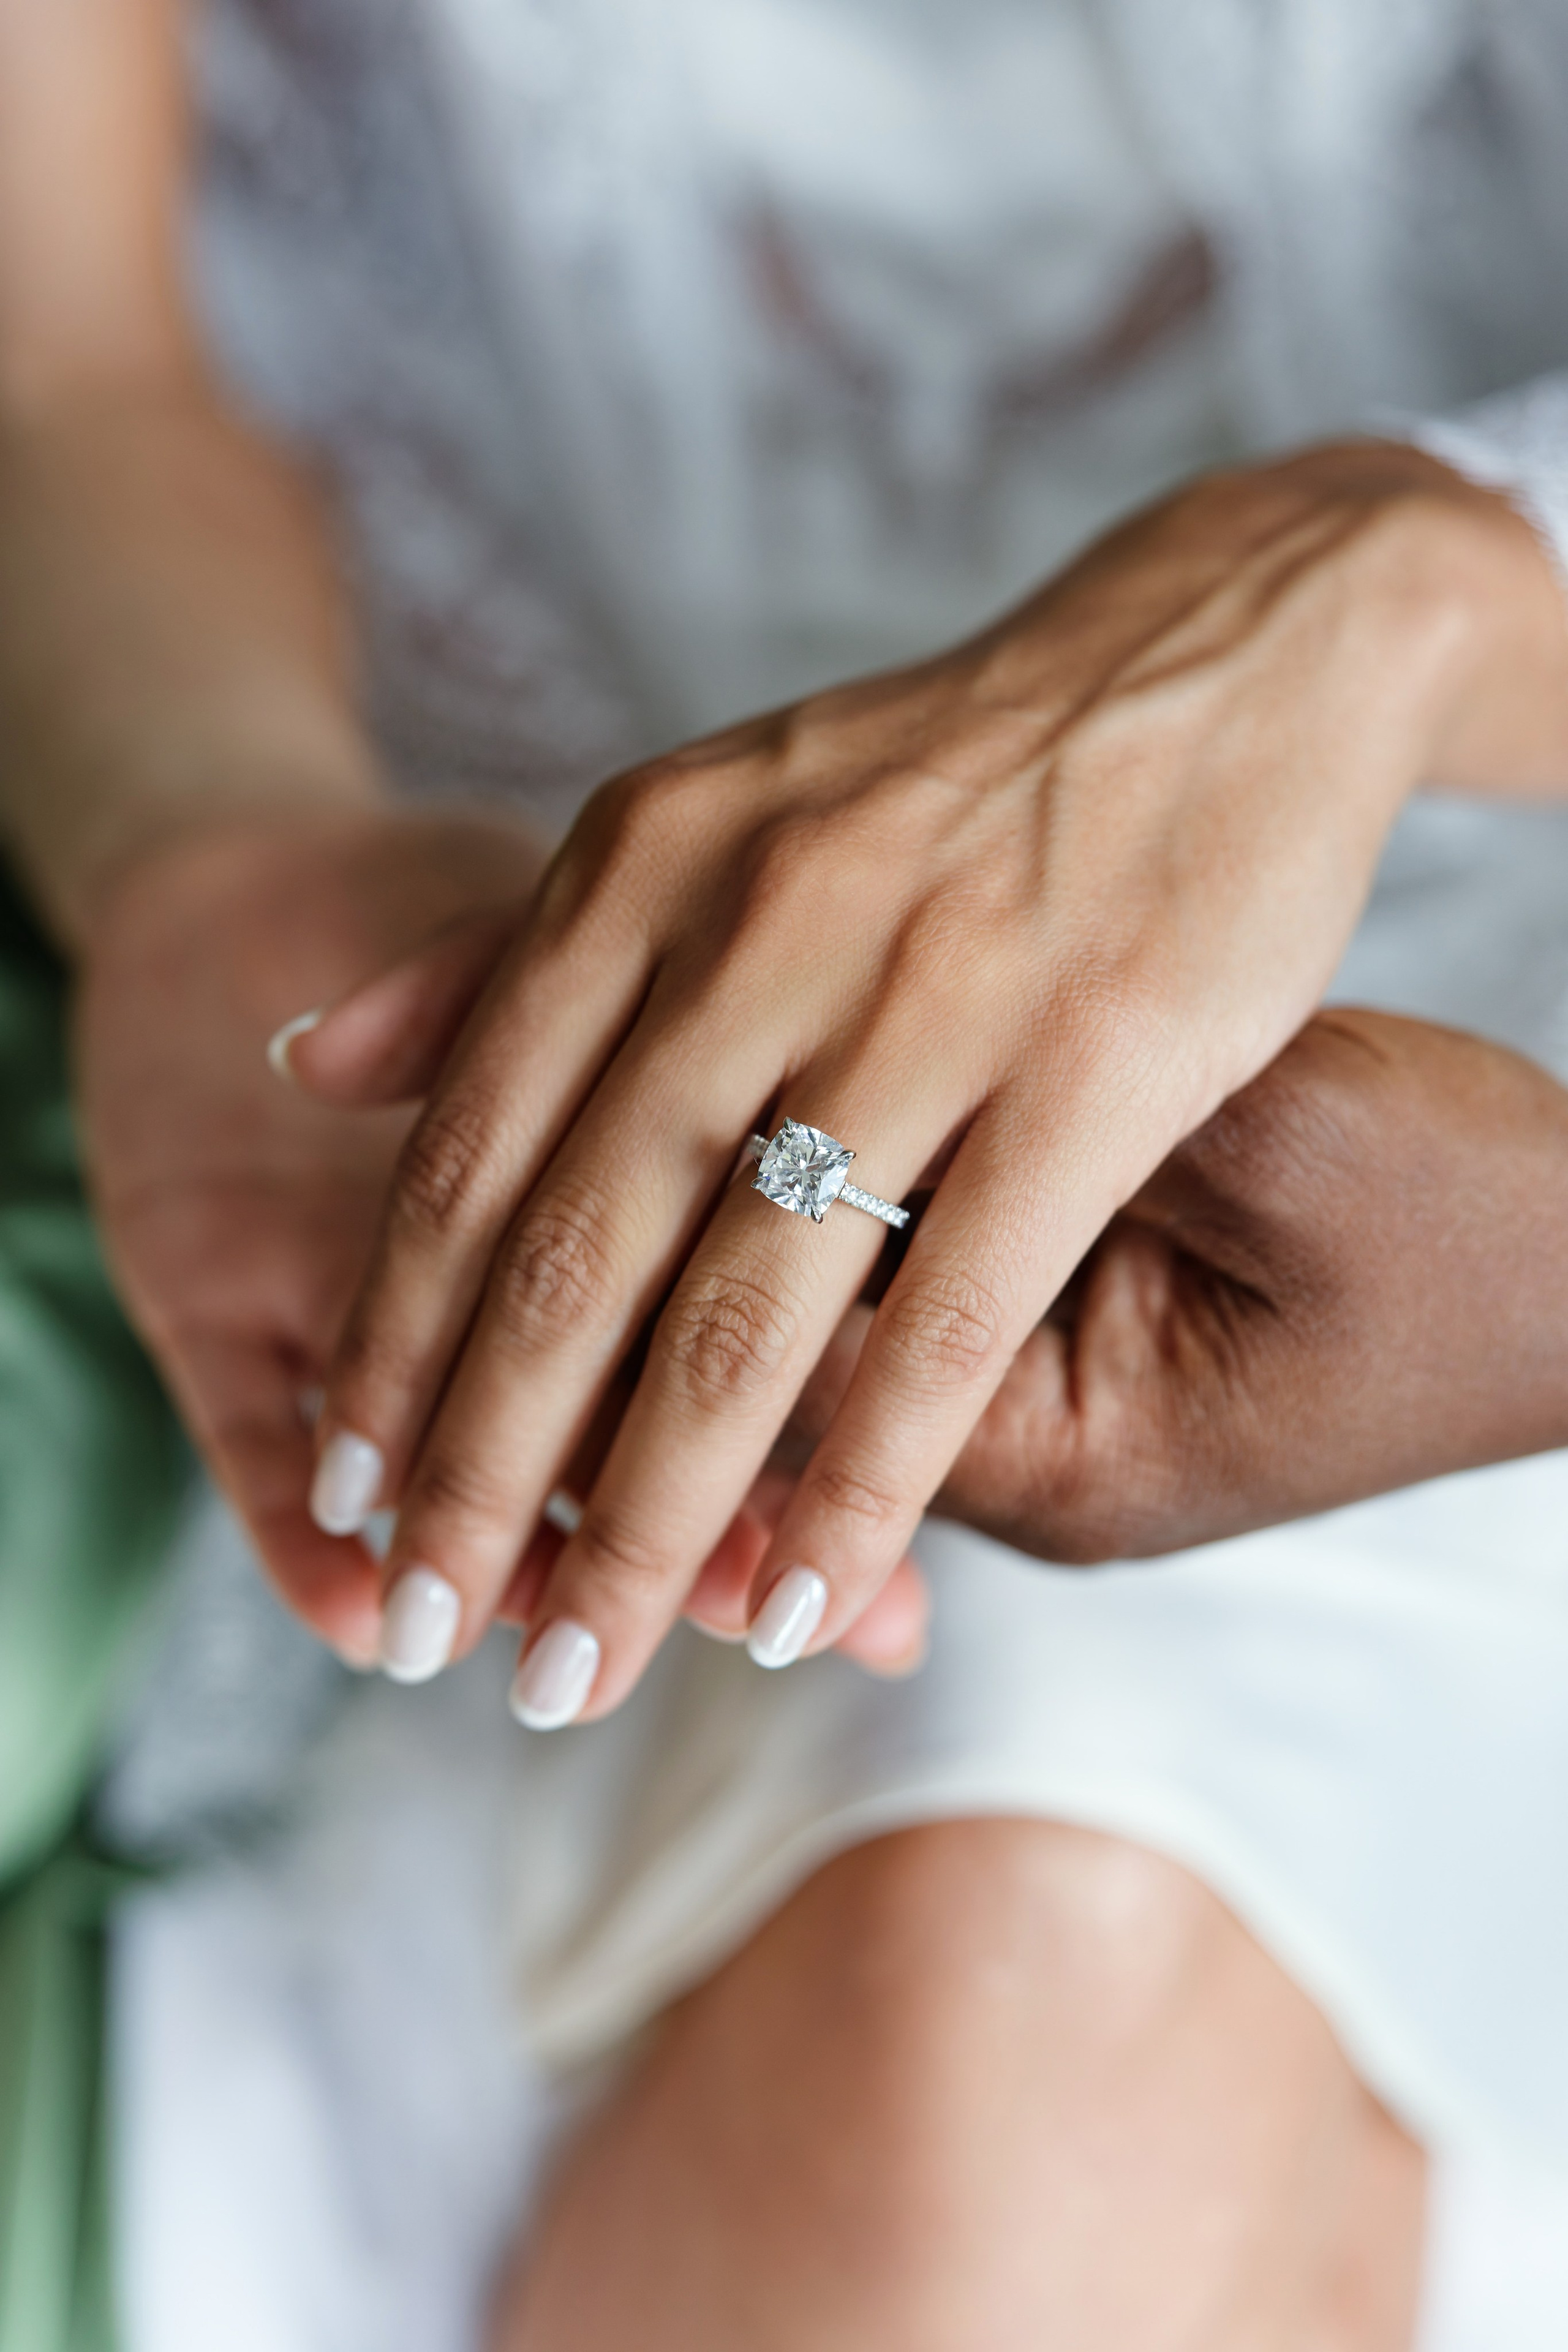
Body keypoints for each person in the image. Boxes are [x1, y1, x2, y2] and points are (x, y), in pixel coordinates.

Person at [5, 1, 1568, 2343]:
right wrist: (217, 844)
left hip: (1473, 1060)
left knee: (1029, 1937)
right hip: (466, 983)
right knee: (997, 1946)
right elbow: (66, 362)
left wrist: (1382, 583)